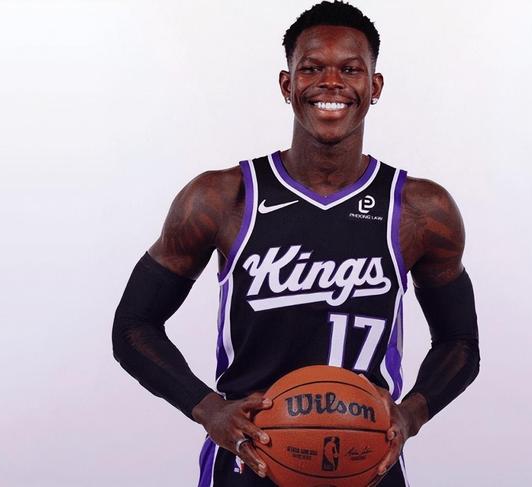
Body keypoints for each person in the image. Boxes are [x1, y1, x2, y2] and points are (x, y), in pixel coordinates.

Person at [112, 1, 480, 486]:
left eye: (350, 69)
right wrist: (208, 409)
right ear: (287, 85)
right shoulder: (222, 198)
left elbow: (460, 343)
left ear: (374, 87)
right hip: (247, 461)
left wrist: (409, 415)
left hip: (367, 464)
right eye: (311, 68)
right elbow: (133, 327)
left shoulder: (419, 209)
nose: (331, 82)